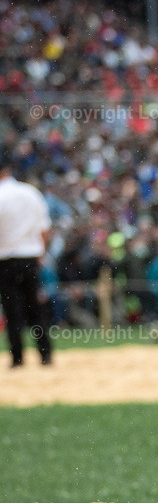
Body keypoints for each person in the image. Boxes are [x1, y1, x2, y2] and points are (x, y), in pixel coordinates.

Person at [0, 156, 53, 368]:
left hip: (5, 259)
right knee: (35, 309)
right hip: (30, 256)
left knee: (12, 311)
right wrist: (41, 253)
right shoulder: (31, 193)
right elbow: (45, 229)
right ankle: (45, 354)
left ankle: (17, 358)